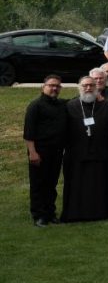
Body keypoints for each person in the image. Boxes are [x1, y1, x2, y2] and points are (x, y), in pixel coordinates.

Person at [62, 75, 108, 222]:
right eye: (85, 86)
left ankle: (97, 213)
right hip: (76, 153)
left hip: (98, 152)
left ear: (96, 88)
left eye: (91, 85)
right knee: (77, 185)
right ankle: (75, 214)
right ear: (79, 88)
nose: (88, 88)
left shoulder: (105, 105)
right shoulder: (70, 105)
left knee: (96, 185)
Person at [23, 76, 67, 227]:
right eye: (51, 85)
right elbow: (28, 132)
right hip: (39, 152)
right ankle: (39, 216)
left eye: (57, 86)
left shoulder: (61, 104)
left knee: (51, 184)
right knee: (38, 184)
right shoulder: (35, 106)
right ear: (43, 87)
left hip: (56, 152)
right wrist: (32, 153)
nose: (54, 88)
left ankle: (50, 213)